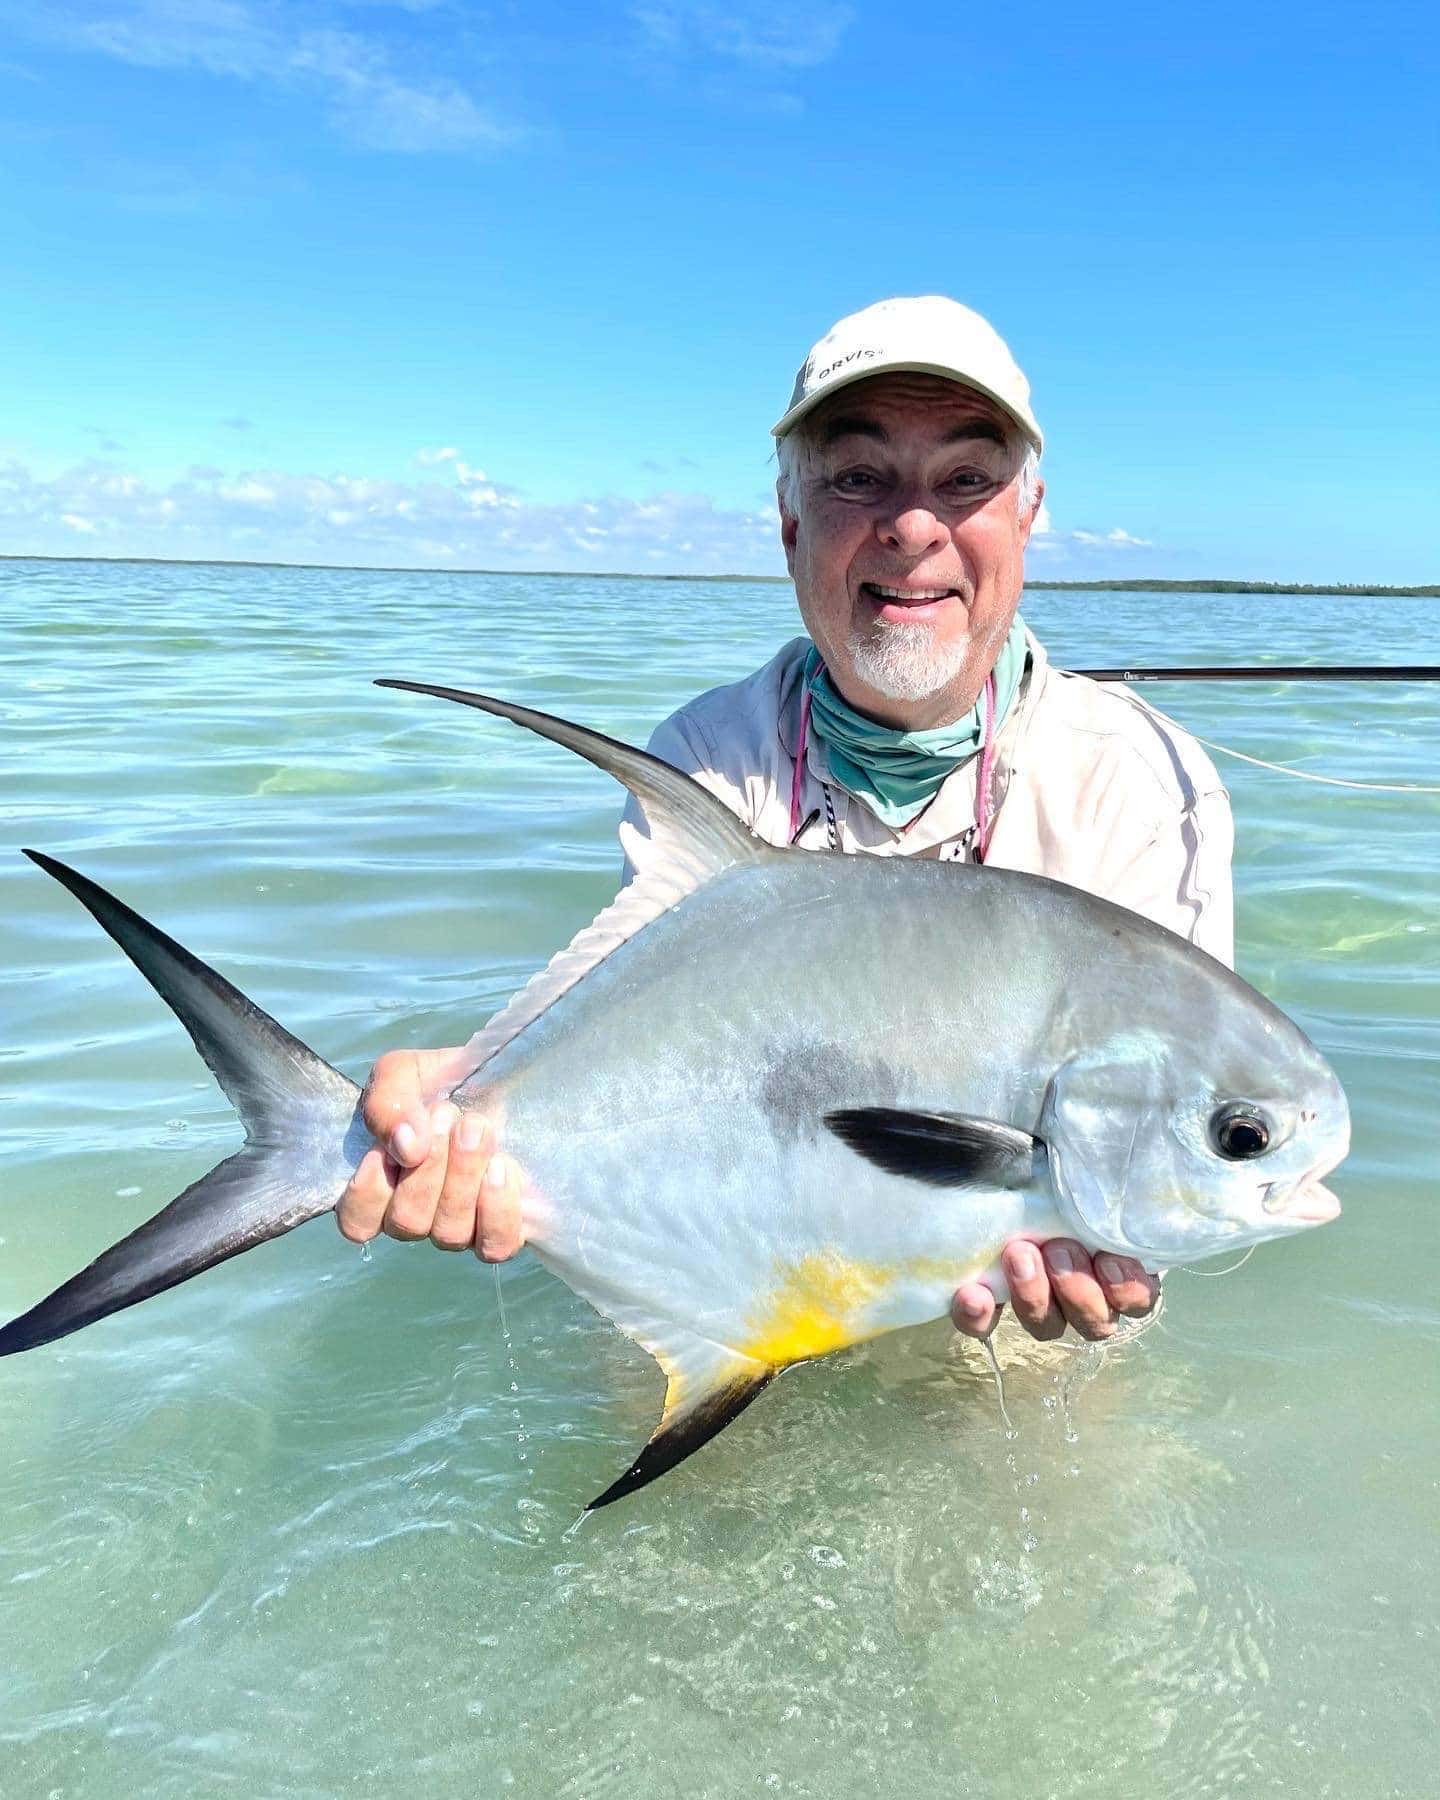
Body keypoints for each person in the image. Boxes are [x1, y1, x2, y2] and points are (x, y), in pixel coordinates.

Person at [337, 296, 1233, 1347]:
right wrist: (459, 1107)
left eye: (966, 480)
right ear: (790, 517)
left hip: (1036, 1302)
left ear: (1027, 513)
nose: (911, 526)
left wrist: (1128, 1251)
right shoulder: (709, 754)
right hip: (736, 1267)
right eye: (857, 478)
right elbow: (653, 1050)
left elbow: (1170, 1143)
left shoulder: (1140, 779)